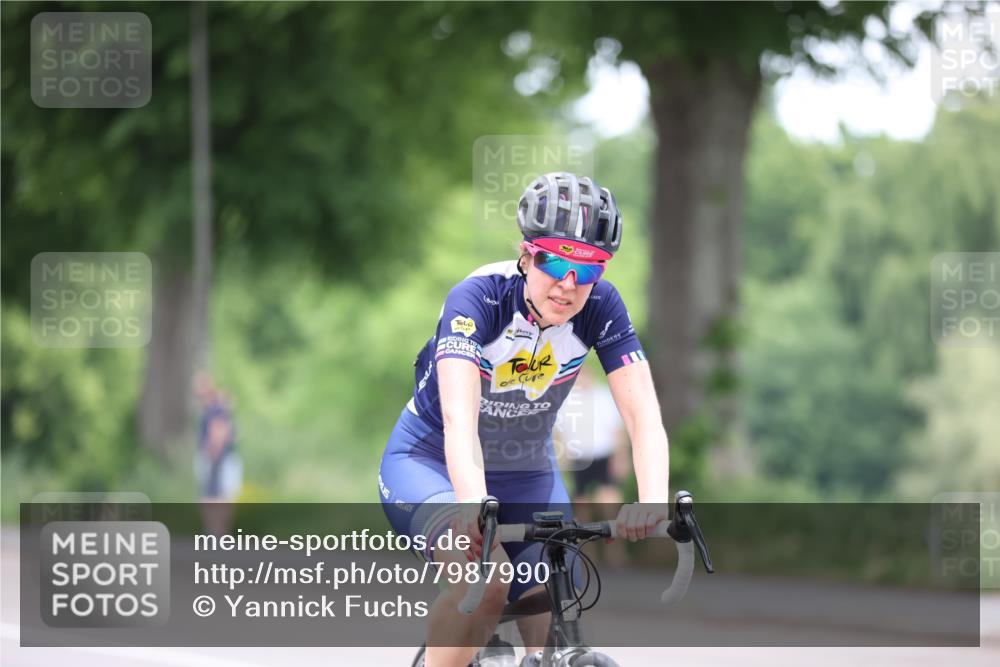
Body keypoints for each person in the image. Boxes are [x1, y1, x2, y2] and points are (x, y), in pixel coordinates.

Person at [378, 172, 671, 667]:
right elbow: (458, 417)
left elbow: (643, 413)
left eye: (590, 268)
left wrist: (654, 501)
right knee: (486, 582)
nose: (569, 284)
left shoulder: (601, 306)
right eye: (554, 260)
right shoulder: (478, 299)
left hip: (525, 469)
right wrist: (472, 502)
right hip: (430, 461)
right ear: (526, 251)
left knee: (560, 586)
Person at [193, 371, 242, 536]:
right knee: (215, 495)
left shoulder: (215, 407)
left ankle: (217, 532)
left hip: (216, 457)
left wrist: (213, 454)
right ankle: (216, 532)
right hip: (215, 456)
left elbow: (219, 432)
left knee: (216, 496)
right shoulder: (212, 406)